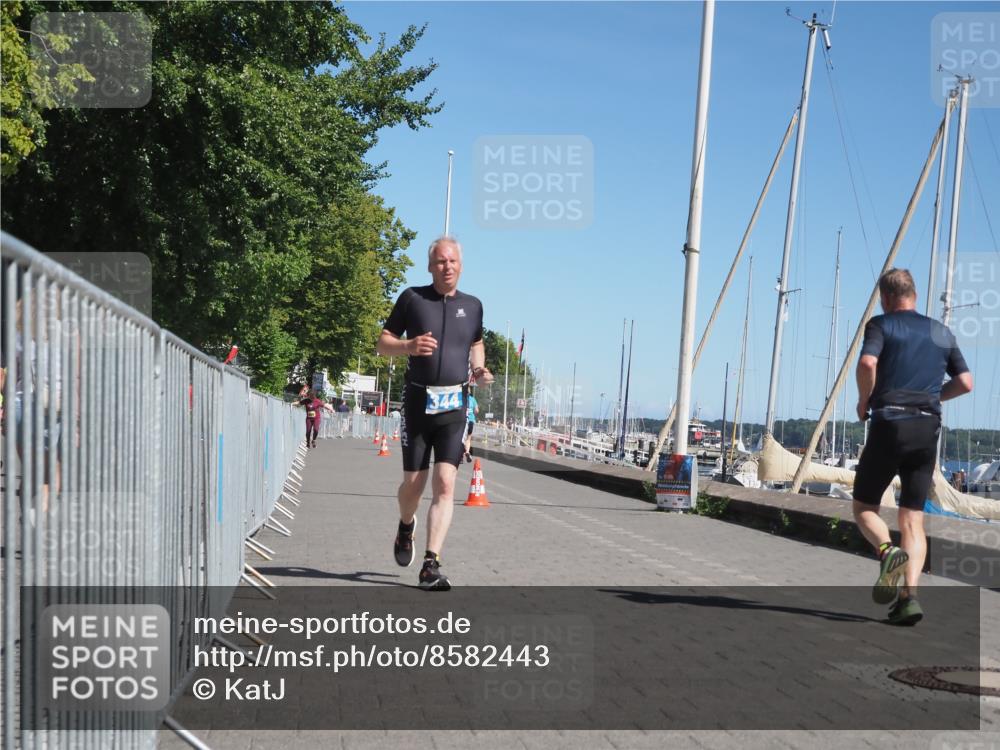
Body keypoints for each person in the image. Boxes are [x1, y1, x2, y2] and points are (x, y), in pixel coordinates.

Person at [853, 268, 973, 626]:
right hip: (927, 428)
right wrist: (935, 395)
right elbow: (965, 382)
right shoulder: (941, 331)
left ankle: (887, 552)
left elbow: (867, 362)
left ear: (886, 298)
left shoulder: (881, 324)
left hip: (890, 423)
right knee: (913, 519)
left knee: (863, 508)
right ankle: (909, 599)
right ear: (915, 295)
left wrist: (864, 400)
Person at [376, 236, 494, 590]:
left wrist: (479, 370)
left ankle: (431, 564)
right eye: (441, 261)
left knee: (445, 483)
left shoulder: (473, 306)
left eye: (453, 261)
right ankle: (405, 524)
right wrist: (408, 346)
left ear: (461, 265)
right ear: (430, 266)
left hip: (454, 406)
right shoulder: (412, 299)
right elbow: (383, 343)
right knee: (414, 485)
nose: (448, 266)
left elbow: (475, 343)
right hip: (417, 403)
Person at [462, 390, 479, 463]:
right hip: (471, 421)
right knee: (468, 439)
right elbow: (477, 410)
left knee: (461, 439)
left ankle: (460, 456)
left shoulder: (461, 398)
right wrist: (473, 414)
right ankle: (467, 451)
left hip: (463, 420)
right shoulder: (473, 399)